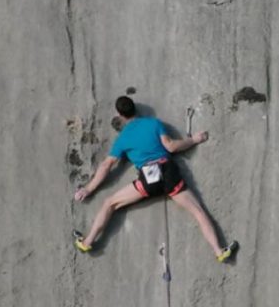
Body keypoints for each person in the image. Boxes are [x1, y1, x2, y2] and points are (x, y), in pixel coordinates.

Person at [73, 96, 238, 262]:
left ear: (120, 115)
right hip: (168, 173)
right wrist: (194, 139)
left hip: (148, 179)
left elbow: (106, 166)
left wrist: (88, 189)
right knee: (198, 211)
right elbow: (171, 146)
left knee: (110, 203)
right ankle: (219, 251)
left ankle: (87, 242)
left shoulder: (122, 138)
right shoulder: (153, 123)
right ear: (135, 109)